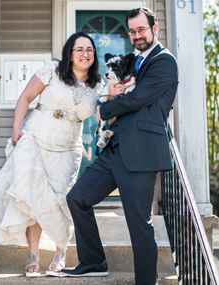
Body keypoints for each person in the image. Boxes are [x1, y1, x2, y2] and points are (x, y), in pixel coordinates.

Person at [60, 7, 178, 285]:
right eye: (133, 31)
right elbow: (115, 89)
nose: (137, 35)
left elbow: (137, 99)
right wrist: (104, 99)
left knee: (139, 225)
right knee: (77, 198)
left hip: (141, 153)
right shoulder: (132, 61)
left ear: (155, 28)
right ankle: (93, 261)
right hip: (114, 149)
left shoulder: (164, 61)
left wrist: (104, 109)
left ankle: (147, 281)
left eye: (142, 30)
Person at [0, 32, 103, 278]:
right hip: (37, 138)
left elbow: (105, 116)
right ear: (70, 54)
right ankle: (33, 255)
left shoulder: (99, 86)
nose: (85, 54)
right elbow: (26, 97)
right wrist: (16, 128)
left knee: (61, 201)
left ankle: (60, 254)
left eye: (90, 50)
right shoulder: (52, 70)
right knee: (36, 197)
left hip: (68, 148)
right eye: (79, 49)